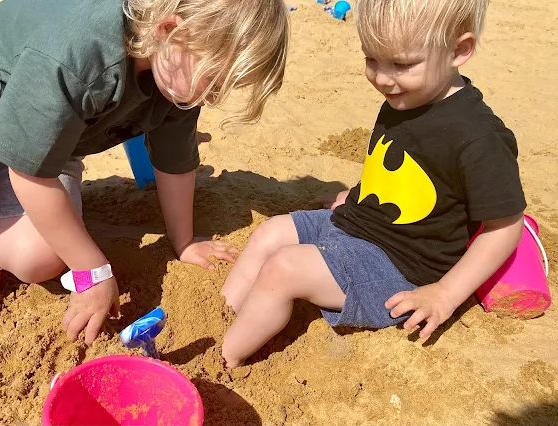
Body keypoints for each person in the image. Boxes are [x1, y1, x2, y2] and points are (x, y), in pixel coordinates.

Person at [0, 0, 289, 343]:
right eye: (214, 81)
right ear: (167, 30)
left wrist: (185, 242)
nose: (212, 98)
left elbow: (174, 161)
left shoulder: (181, 75)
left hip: (43, 138)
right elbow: (29, 174)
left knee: (33, 257)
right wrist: (92, 271)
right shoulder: (83, 49)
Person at [220, 0, 526, 367]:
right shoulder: (407, 95)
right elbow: (401, 163)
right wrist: (356, 193)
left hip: (400, 266)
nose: (382, 77)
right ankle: (220, 316)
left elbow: (505, 227)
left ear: (459, 50)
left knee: (283, 268)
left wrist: (445, 293)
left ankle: (221, 360)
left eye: (401, 63)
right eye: (372, 59)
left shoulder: (479, 138)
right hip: (361, 223)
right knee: (269, 234)